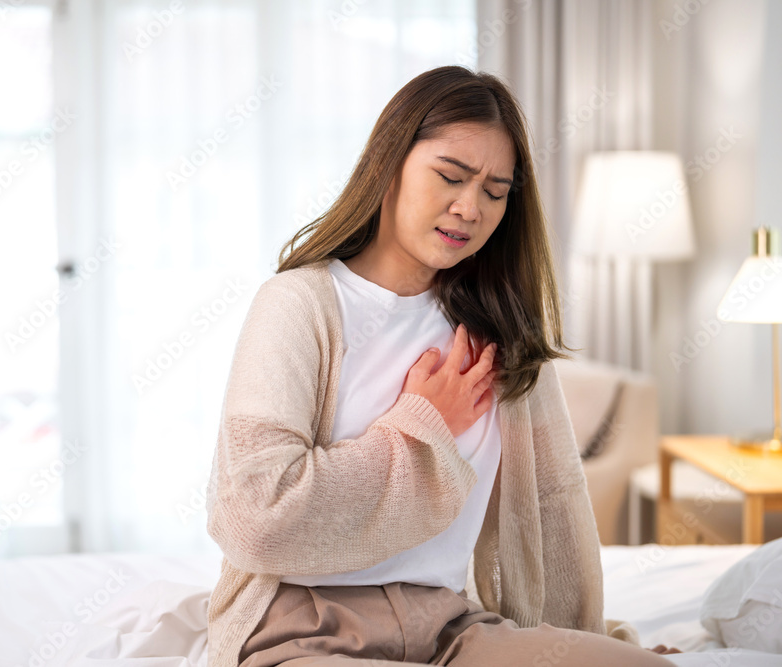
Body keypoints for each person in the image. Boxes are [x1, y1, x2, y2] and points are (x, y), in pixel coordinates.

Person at [204, 65, 681, 667]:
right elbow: (255, 517)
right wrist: (423, 423)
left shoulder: (496, 328)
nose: (469, 207)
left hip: (448, 627)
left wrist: (582, 639)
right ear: (389, 164)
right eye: (450, 177)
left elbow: (554, 507)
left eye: (494, 191)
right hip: (305, 628)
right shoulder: (299, 305)